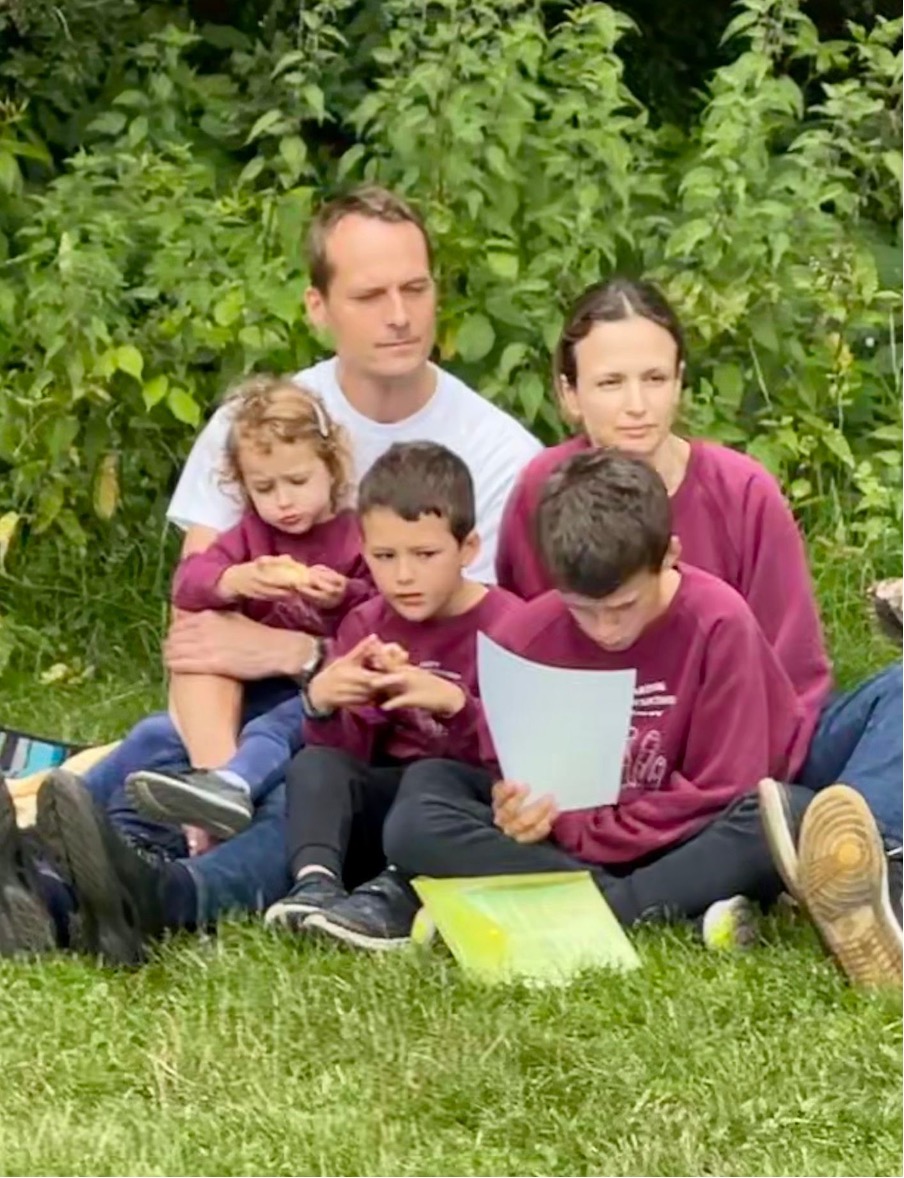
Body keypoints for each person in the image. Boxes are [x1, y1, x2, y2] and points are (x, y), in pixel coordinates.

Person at [494, 277, 903, 858]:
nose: (636, 404)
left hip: (754, 752)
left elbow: (795, 675)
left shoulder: (743, 490)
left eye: (655, 378)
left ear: (680, 380)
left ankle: (859, 859)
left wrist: (738, 782)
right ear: (569, 393)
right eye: (610, 383)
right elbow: (531, 649)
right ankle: (790, 854)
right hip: (612, 766)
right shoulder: (545, 490)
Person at [164, 183, 540, 782]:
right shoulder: (261, 424)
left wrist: (302, 656)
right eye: (369, 296)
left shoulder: (502, 455)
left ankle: (189, 860)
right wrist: (216, 766)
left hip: (385, 731)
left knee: (299, 783)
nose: (399, 316)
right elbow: (197, 625)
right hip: (232, 699)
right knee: (156, 750)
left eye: (415, 289)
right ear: (317, 306)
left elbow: (458, 646)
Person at [384, 450, 817, 950]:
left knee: (783, 816)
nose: (607, 629)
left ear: (669, 556)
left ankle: (566, 909)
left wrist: (580, 831)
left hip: (680, 835)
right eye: (583, 611)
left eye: (624, 606)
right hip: (567, 837)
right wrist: (516, 808)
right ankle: (648, 909)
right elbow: (505, 764)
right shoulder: (525, 635)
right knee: (420, 806)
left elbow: (721, 789)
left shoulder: (719, 620)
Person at [264, 442, 521, 949]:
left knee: (430, 774)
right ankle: (315, 886)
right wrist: (328, 701)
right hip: (386, 807)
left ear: (468, 549)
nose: (404, 576)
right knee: (314, 762)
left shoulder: (510, 625)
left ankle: (397, 897)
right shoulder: (366, 622)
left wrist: (453, 705)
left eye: (425, 555)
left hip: (462, 815)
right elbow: (350, 755)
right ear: (363, 550)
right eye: (384, 557)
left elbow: (523, 759)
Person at [120, 374, 373, 842]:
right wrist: (238, 578)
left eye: (298, 481)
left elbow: (383, 618)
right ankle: (73, 817)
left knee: (271, 739)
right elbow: (188, 584)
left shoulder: (356, 538)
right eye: (264, 487)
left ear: (332, 469)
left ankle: (214, 809)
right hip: (245, 690)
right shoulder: (253, 536)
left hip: (319, 697)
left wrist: (344, 597)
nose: (283, 501)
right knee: (152, 740)